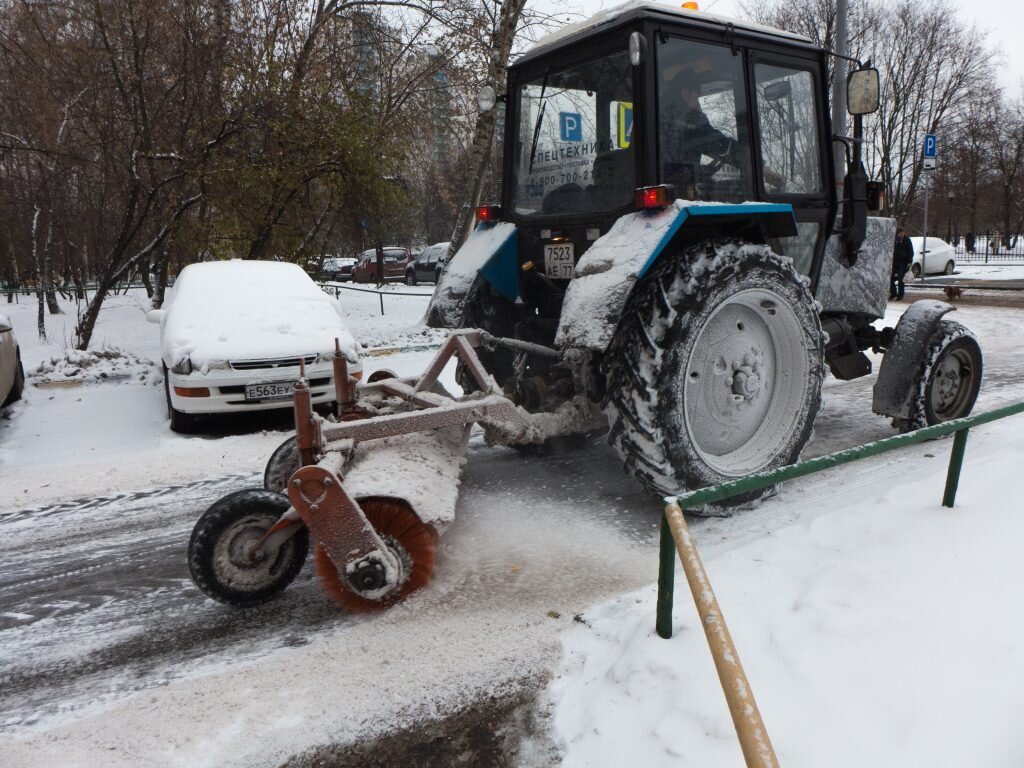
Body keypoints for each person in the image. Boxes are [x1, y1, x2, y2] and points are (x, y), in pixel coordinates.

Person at [891, 226, 913, 300]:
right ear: (897, 234)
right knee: (890, 278)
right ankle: (893, 293)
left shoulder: (907, 240)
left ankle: (900, 295)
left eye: (903, 233)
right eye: (900, 233)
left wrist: (909, 261)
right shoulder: (894, 240)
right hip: (894, 262)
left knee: (901, 279)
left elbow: (910, 251)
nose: (902, 235)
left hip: (903, 262)